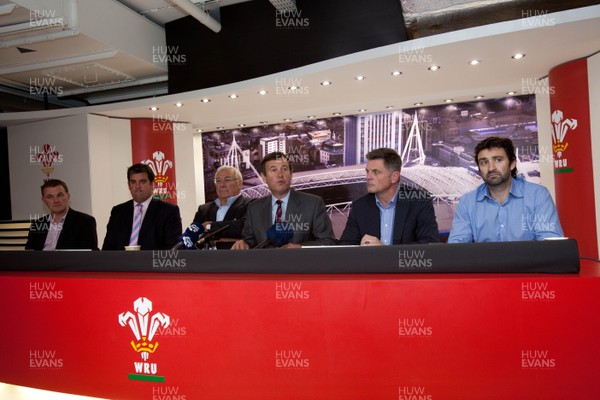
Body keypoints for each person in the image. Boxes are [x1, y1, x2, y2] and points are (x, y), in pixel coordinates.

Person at [448, 137, 564, 242]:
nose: (491, 168)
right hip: (485, 266)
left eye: (498, 160)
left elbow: (551, 247)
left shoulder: (537, 196)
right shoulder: (467, 203)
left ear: (512, 164)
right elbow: (457, 249)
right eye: (484, 162)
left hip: (528, 265)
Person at [231, 152, 336, 249]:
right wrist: (243, 244)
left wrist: (301, 247)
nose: (280, 175)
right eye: (273, 170)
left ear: (291, 174)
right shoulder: (254, 208)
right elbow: (250, 242)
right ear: (264, 177)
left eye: (284, 169)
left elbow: (328, 241)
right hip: (265, 267)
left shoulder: (313, 204)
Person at [339, 148, 439, 246]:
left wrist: (385, 252)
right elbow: (346, 246)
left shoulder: (419, 201)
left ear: (394, 177)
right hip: (370, 263)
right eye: (367, 171)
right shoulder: (360, 206)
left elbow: (429, 243)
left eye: (375, 172)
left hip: (404, 263)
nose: (368, 177)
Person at [102, 163, 182, 250]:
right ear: (129, 185)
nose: (137, 186)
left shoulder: (168, 211)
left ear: (152, 184)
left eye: (142, 182)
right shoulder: (118, 212)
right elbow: (108, 248)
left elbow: (172, 249)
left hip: (152, 262)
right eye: (133, 182)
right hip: (121, 262)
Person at [26, 179, 98, 251]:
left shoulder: (85, 222)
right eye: (50, 197)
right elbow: (28, 256)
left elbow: (88, 256)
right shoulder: (37, 224)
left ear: (68, 196)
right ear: (44, 200)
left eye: (59, 195)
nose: (56, 201)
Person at [191, 165, 253, 249]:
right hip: (205, 259)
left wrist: (209, 226)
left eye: (227, 180)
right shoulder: (204, 209)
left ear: (240, 183)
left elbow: (244, 227)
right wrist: (230, 238)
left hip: (235, 258)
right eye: (218, 181)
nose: (222, 185)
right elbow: (192, 237)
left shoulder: (251, 204)